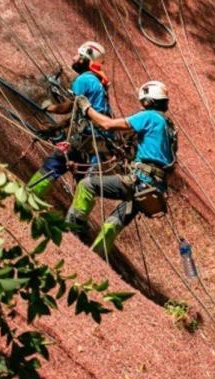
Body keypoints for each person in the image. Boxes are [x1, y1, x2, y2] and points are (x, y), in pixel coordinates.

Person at [65, 81, 176, 256]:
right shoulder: (169, 128)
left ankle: (71, 230)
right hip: (153, 188)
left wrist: (86, 109)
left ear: (148, 101)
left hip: (138, 181)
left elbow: (107, 124)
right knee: (114, 221)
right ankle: (97, 257)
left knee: (86, 185)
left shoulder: (150, 117)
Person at [27, 41, 113, 199]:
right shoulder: (99, 84)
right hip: (98, 143)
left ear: (84, 59)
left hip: (86, 139)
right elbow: (81, 114)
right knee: (85, 183)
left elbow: (70, 106)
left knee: (55, 162)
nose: (73, 58)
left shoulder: (84, 79)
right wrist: (56, 128)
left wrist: (49, 107)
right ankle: (75, 221)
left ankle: (29, 198)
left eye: (77, 55)